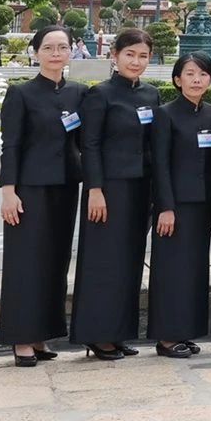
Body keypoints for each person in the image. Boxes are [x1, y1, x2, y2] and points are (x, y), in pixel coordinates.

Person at [0, 25, 84, 366]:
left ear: (71, 51)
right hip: (29, 190)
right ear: (36, 52)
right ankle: (21, 338)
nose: (56, 53)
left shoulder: (79, 93)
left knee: (55, 262)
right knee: (26, 263)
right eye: (48, 47)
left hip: (66, 186)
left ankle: (41, 334)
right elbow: (11, 145)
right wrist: (9, 191)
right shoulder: (21, 93)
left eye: (62, 47)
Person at [69, 27, 157, 359]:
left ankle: (118, 332)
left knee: (129, 262)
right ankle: (96, 334)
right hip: (107, 190)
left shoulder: (151, 95)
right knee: (102, 261)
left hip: (140, 188)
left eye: (143, 56)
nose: (136, 61)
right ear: (115, 55)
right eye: (129, 54)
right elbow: (89, 145)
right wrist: (95, 189)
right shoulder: (100, 94)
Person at [147, 51, 211, 358]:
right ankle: (166, 337)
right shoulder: (165, 114)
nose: (196, 80)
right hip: (175, 206)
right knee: (171, 270)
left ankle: (185, 331)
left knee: (194, 270)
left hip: (202, 204)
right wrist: (164, 207)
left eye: (203, 74)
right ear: (177, 79)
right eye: (190, 74)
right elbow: (160, 164)